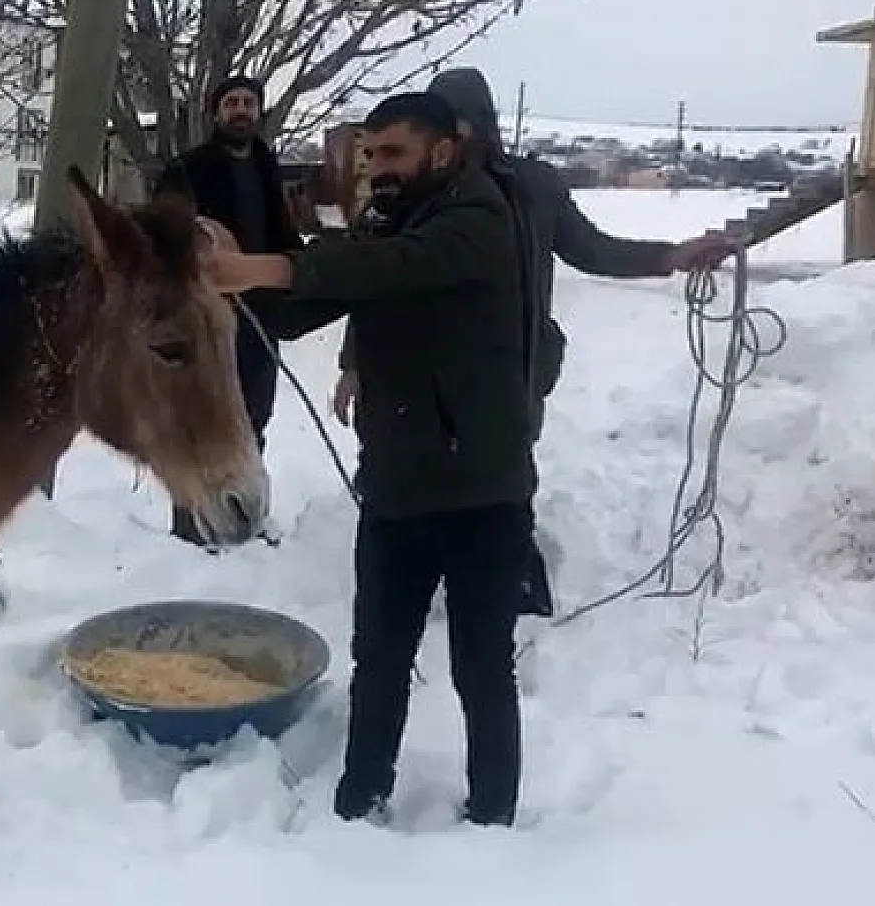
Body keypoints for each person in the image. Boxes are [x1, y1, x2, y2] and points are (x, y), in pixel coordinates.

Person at [201, 90, 536, 827]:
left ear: (442, 152)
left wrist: (262, 268)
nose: (375, 168)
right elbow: (311, 301)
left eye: (393, 153)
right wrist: (222, 285)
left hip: (482, 493)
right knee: (378, 662)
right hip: (394, 492)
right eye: (369, 153)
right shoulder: (387, 222)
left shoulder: (477, 220)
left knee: (481, 669)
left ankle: (495, 818)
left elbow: (387, 270)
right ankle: (359, 801)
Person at [329, 67, 733, 617]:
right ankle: (427, 574)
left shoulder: (531, 188)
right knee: (419, 474)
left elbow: (592, 249)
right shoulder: (408, 199)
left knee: (503, 480)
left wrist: (669, 255)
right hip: (418, 374)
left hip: (513, 367)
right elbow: (376, 280)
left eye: (463, 123)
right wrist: (355, 362)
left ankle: (515, 586)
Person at [153, 74, 306, 549]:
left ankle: (244, 512)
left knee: (254, 411)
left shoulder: (266, 166)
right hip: (207, 314)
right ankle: (189, 520)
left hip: (259, 310)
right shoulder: (188, 169)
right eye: (231, 103)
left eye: (248, 103)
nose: (241, 110)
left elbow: (283, 235)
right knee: (201, 413)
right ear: (215, 113)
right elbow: (164, 237)